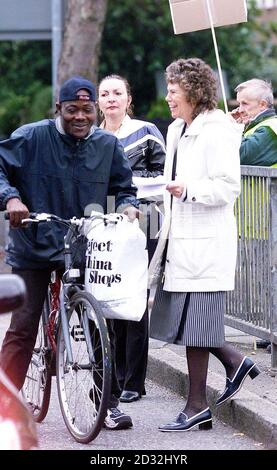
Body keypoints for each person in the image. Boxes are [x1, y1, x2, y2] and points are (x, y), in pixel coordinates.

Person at [0, 76, 140, 430]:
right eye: (72, 109)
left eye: (87, 109)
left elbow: (125, 186)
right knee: (24, 324)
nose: (80, 116)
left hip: (82, 244)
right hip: (32, 242)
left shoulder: (107, 144)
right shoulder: (32, 136)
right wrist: (12, 199)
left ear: (95, 110)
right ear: (58, 109)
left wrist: (127, 206)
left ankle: (105, 404)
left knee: (96, 322)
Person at [149, 58, 261, 432]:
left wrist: (188, 191)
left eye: (174, 91)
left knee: (195, 328)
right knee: (185, 325)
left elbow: (229, 187)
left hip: (206, 243)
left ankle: (197, 403)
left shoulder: (217, 131)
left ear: (194, 93)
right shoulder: (177, 128)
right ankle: (230, 367)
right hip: (181, 239)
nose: (168, 97)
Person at [98, 74, 165, 403]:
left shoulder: (147, 131)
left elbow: (163, 174)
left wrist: (125, 186)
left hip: (143, 220)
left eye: (117, 93)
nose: (111, 98)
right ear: (98, 101)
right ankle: (115, 372)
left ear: (128, 99)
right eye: (105, 93)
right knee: (109, 298)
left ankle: (133, 381)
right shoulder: (92, 136)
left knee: (135, 298)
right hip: (104, 223)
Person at [231, 78, 277, 351]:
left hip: (266, 217)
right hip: (257, 218)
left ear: (263, 104)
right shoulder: (256, 126)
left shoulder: (269, 128)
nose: (240, 109)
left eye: (245, 104)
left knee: (272, 275)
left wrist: (229, 129)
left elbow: (240, 154)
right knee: (265, 278)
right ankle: (270, 332)